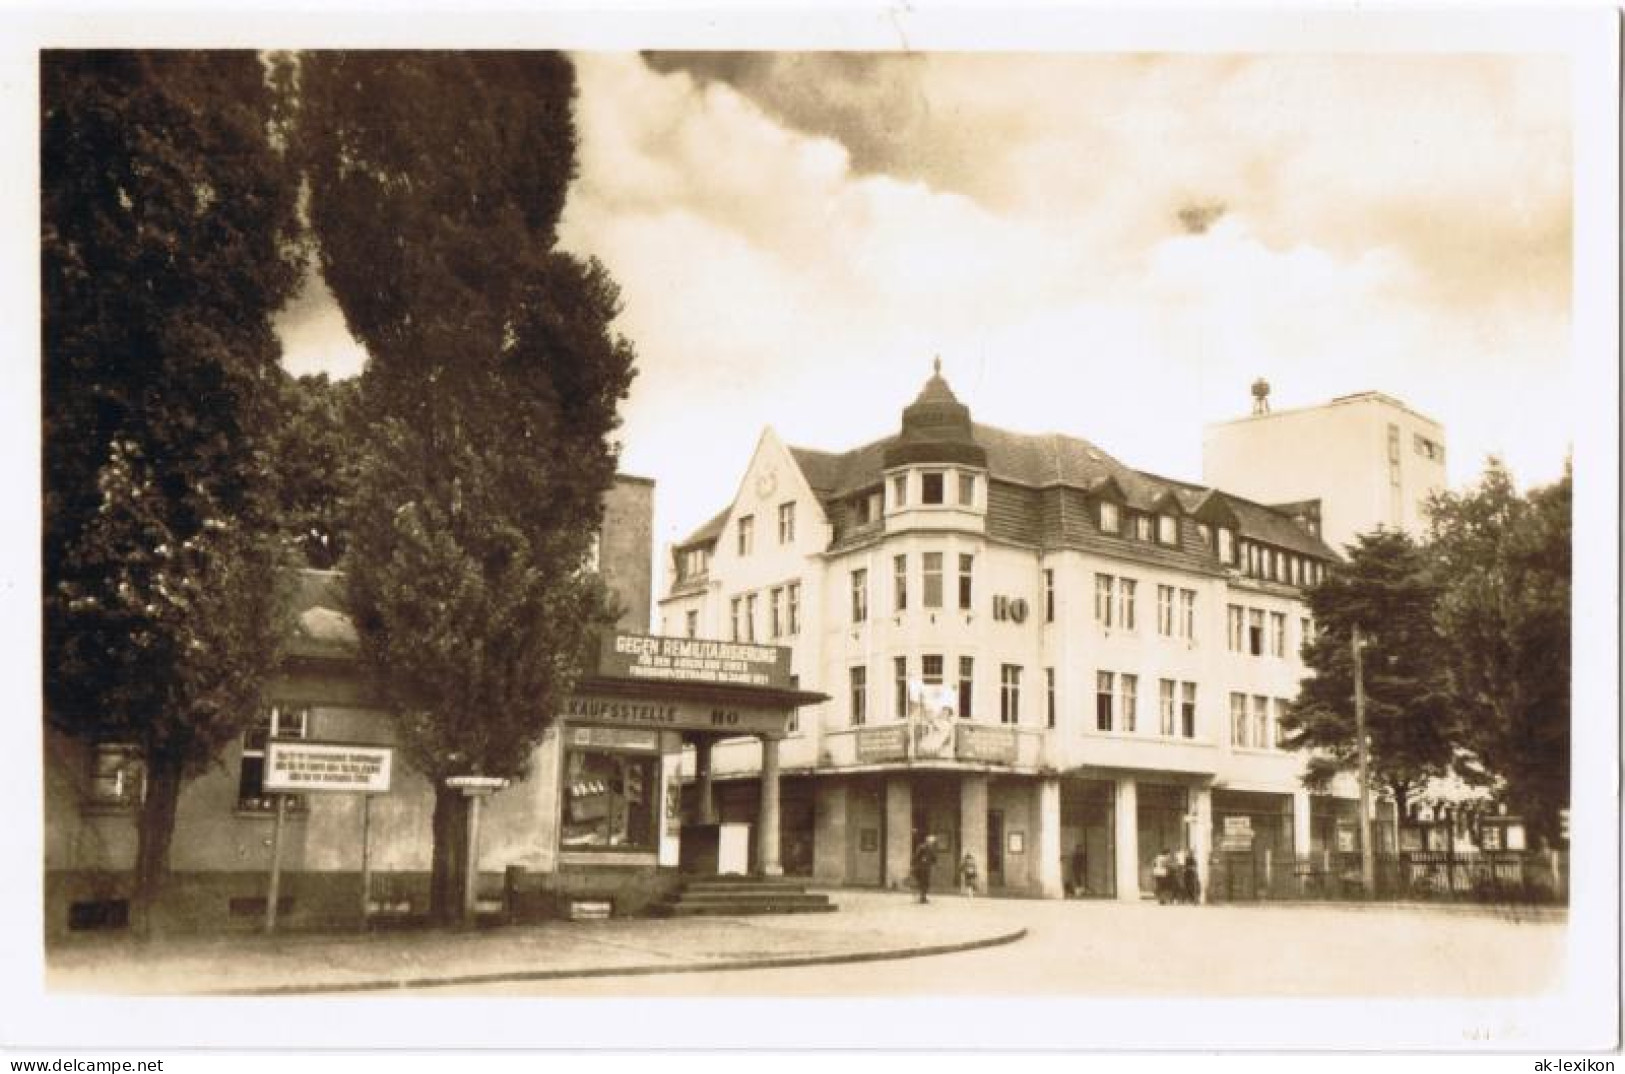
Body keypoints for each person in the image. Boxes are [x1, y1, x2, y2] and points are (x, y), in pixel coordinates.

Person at [911, 834, 940, 904]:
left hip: (926, 868)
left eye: (933, 842)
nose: (933, 843)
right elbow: (916, 856)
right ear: (928, 841)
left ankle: (923, 897)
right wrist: (913, 865)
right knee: (922, 882)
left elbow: (933, 858)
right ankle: (922, 897)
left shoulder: (931, 849)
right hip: (920, 868)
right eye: (932, 842)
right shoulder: (922, 847)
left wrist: (936, 864)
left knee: (925, 883)